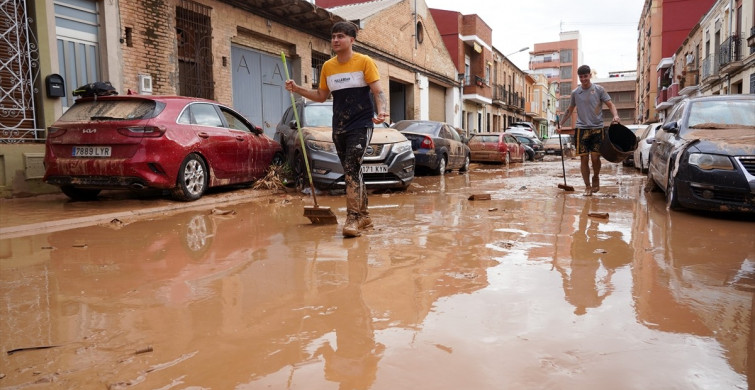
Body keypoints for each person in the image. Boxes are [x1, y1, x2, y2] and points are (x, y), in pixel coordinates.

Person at [285, 21, 388, 237]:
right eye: (333, 37)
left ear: (352, 39)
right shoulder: (328, 67)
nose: (335, 40)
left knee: (351, 167)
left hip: (361, 124)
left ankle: (353, 218)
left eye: (340, 36)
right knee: (353, 171)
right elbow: (321, 96)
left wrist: (382, 112)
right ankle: (365, 216)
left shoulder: (364, 62)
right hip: (339, 126)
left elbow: (378, 91)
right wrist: (297, 89)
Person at [559, 65, 620, 196]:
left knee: (595, 157)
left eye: (585, 76)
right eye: (581, 77)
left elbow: (610, 104)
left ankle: (596, 177)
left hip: (597, 128)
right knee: (584, 159)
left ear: (590, 76)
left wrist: (615, 116)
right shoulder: (576, 93)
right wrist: (560, 124)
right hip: (581, 129)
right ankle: (587, 186)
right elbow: (570, 110)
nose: (583, 79)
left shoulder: (599, 90)